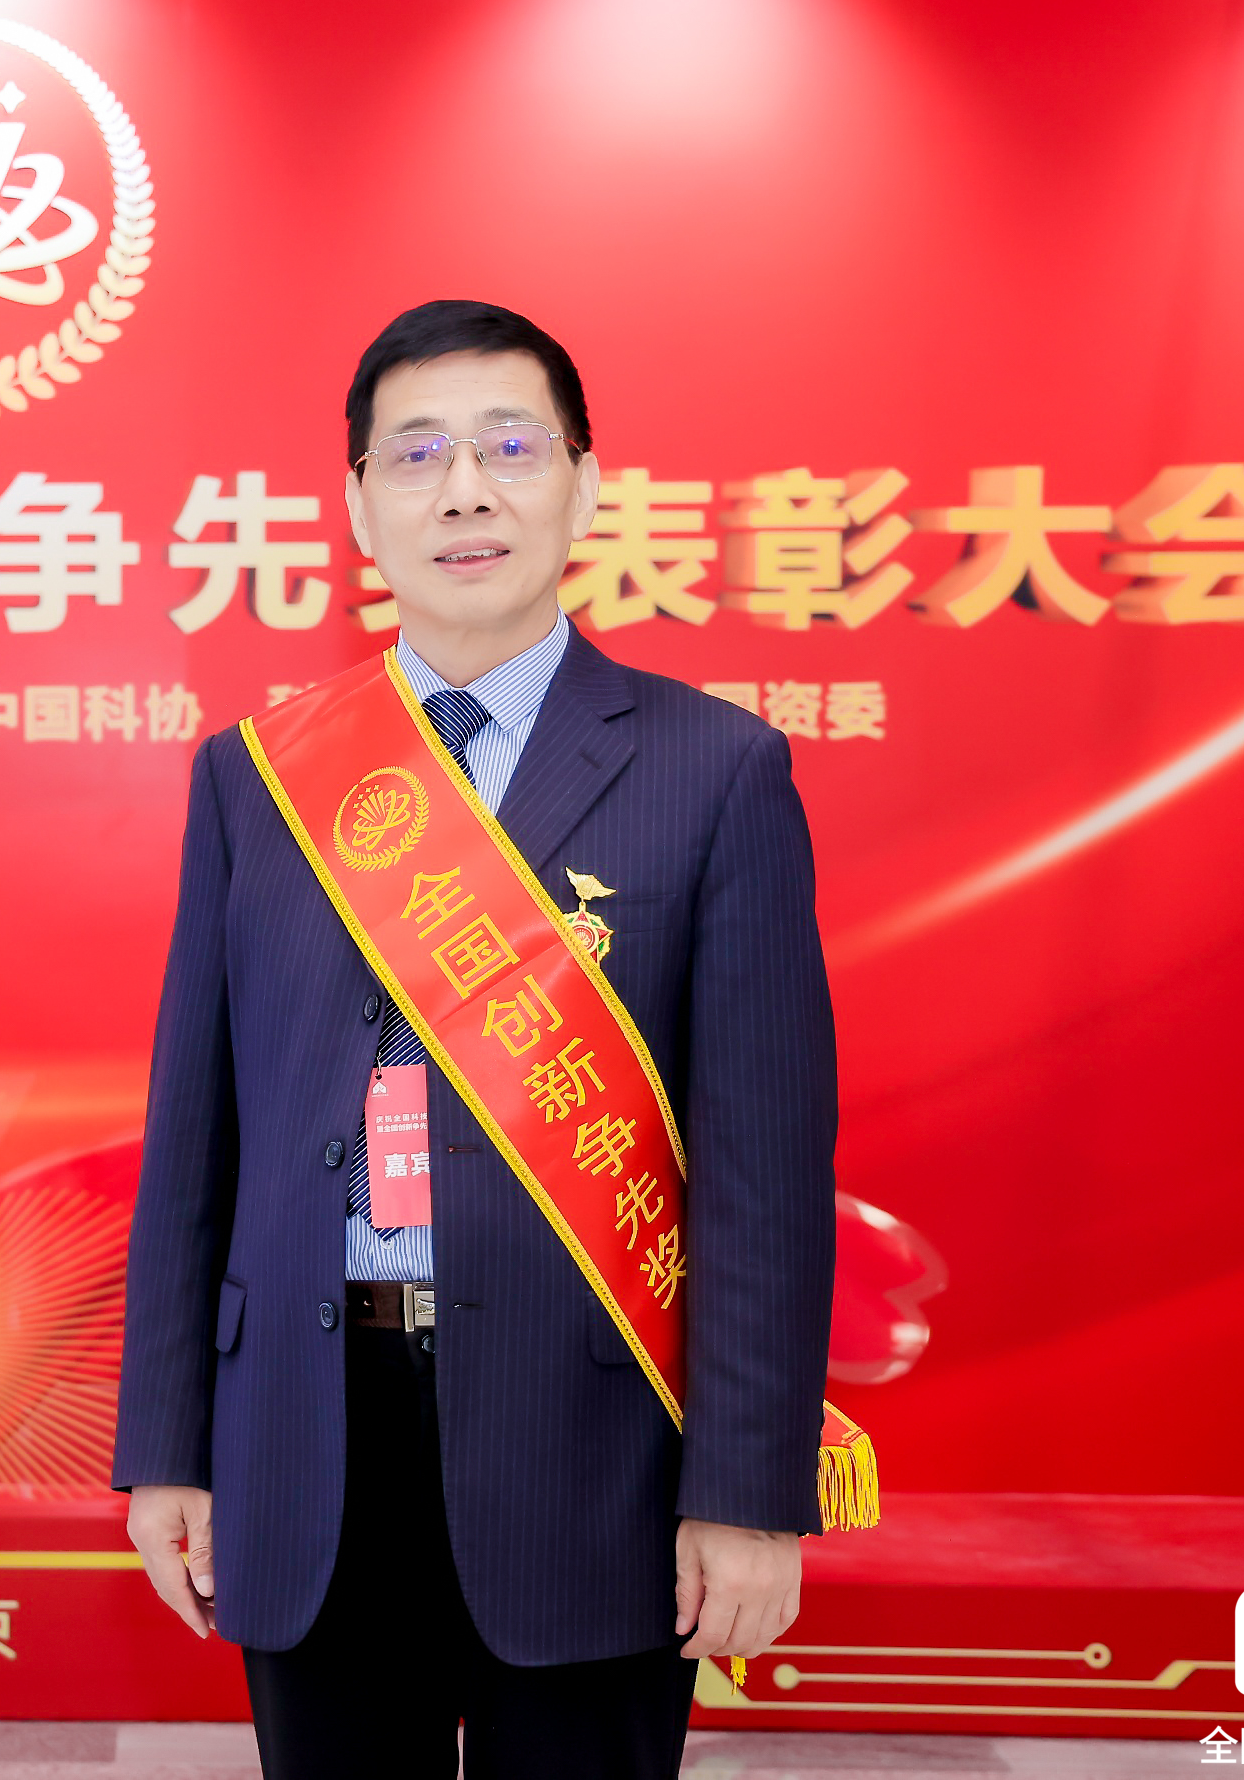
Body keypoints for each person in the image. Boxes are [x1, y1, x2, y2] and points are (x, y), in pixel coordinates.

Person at [112, 299, 838, 1779]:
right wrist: (168, 1446)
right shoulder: (259, 779)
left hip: (594, 1450)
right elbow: (196, 1139)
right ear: (357, 506)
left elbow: (765, 1175)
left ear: (584, 483)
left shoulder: (714, 770)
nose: (464, 492)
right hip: (308, 1432)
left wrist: (749, 1491)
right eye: (417, 454)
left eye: (510, 447)